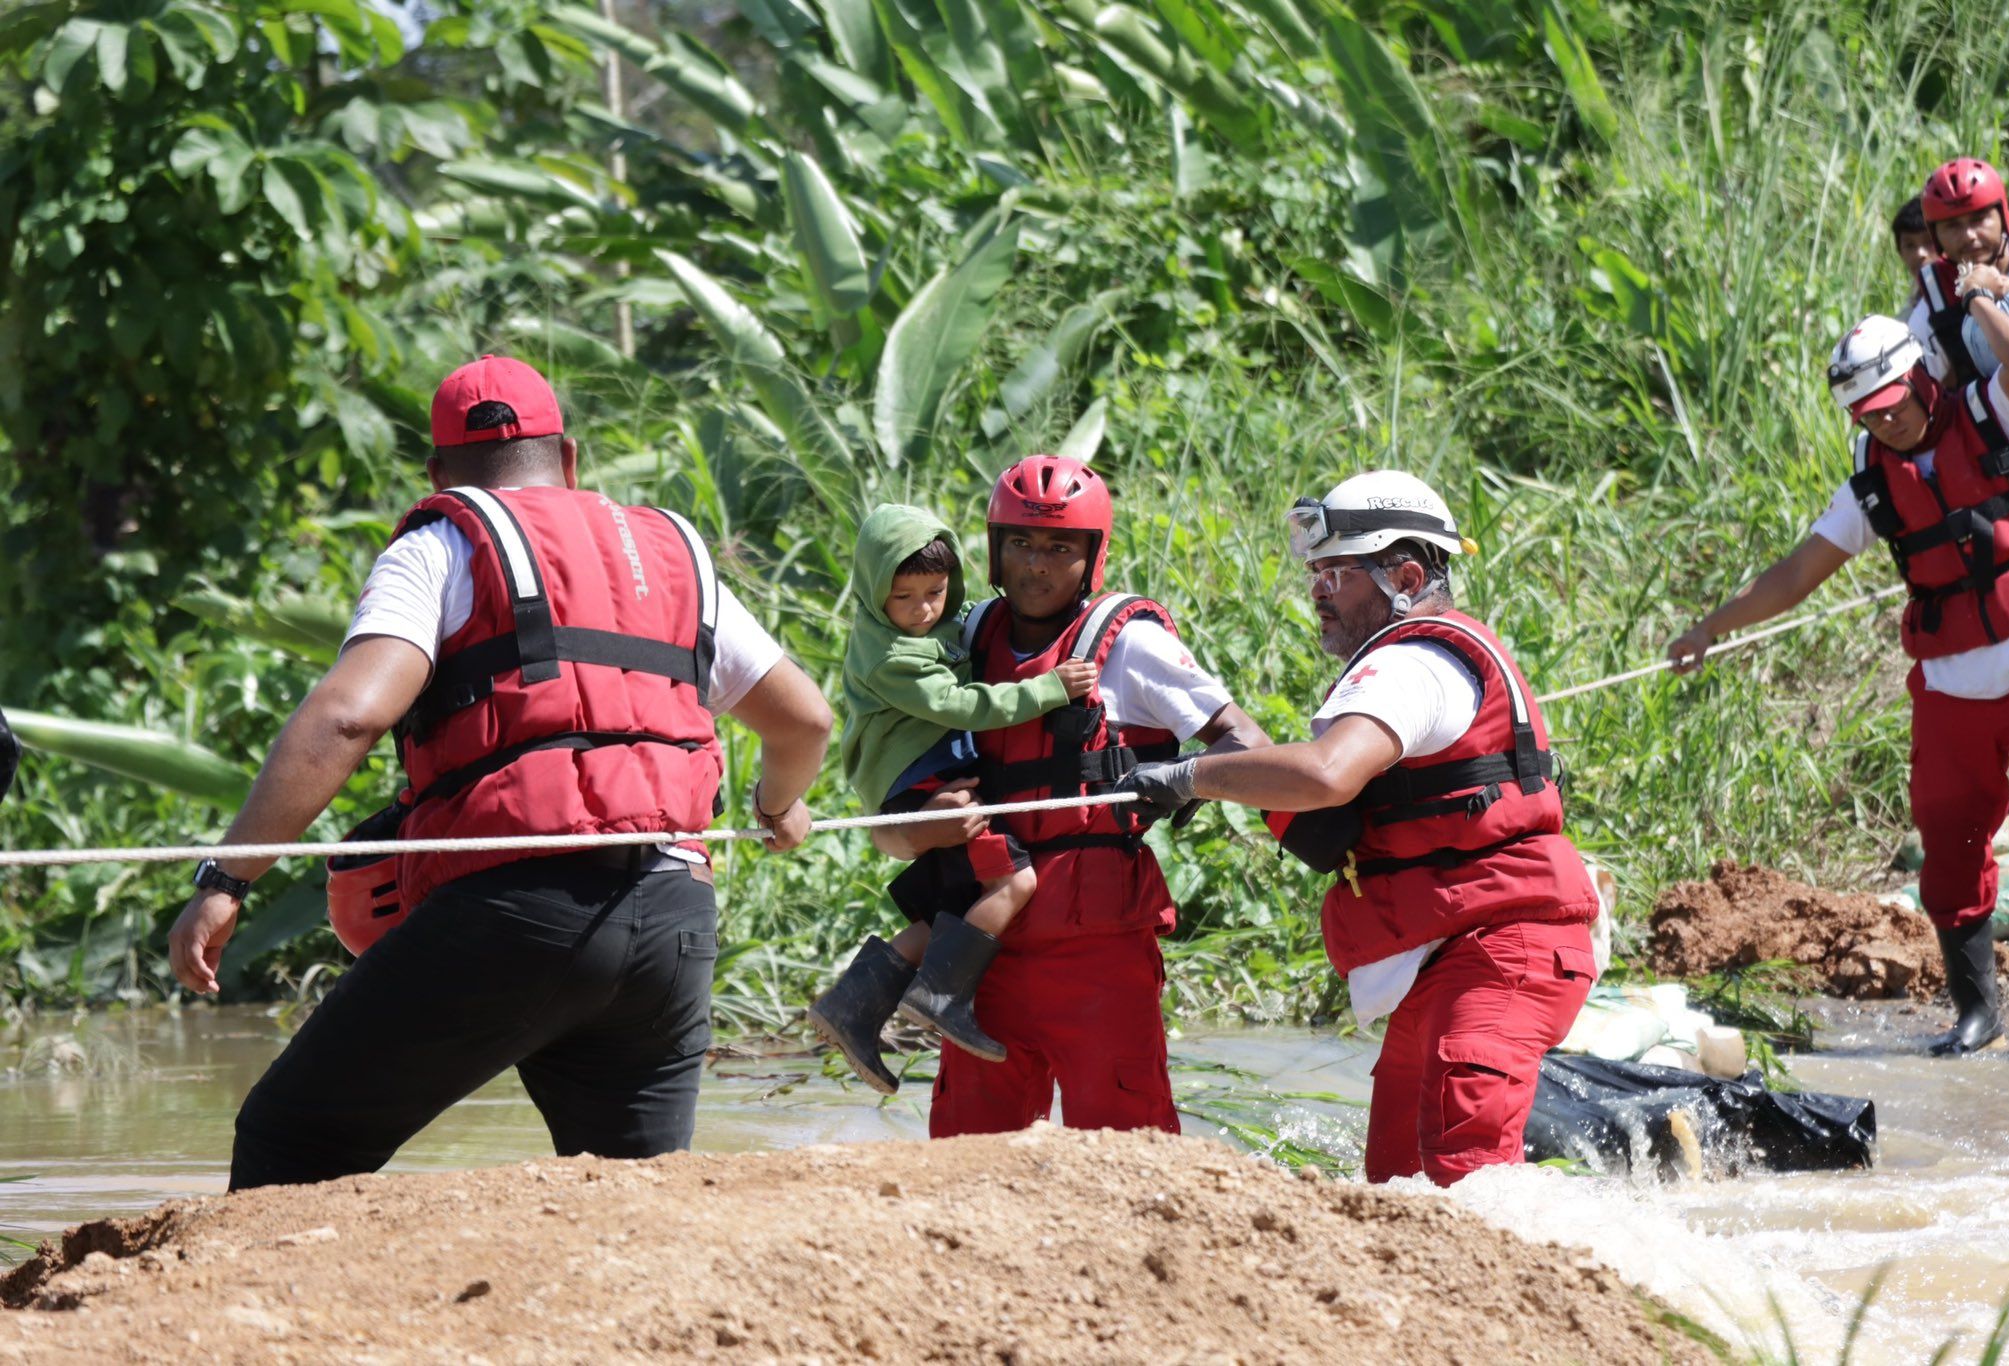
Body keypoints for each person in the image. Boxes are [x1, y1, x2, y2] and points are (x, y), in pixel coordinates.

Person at [167, 355, 833, 1189]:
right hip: (673, 921)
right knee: (634, 1195)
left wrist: (226, 876)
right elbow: (805, 719)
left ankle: (276, 1325)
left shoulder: (441, 545)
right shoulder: (672, 550)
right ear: (571, 457)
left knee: (292, 1141)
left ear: (440, 473)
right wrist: (777, 803)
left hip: (516, 912)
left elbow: (349, 714)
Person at [1116, 472, 1601, 1186]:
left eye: (1335, 573)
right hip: (1449, 959)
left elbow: (1326, 776)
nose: (1316, 591)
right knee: (1393, 1196)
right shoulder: (1420, 659)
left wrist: (1194, 777)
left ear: (1405, 576)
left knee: (1465, 1194)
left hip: (1493, 958)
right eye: (1314, 572)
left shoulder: (1410, 664)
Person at [1669, 304, 2009, 1055]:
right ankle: (1976, 1014)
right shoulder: (1873, 485)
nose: (1887, 425)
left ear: (1921, 378)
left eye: (1893, 405)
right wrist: (1711, 626)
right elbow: (1797, 573)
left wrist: (1973, 297)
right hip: (1948, 688)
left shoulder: (1998, 412)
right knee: (1949, 841)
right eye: (1868, 417)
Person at [870, 455, 1270, 1137]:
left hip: (1099, 957)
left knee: (1130, 1154)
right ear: (995, 551)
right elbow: (887, 827)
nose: (1037, 564)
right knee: (966, 1166)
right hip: (979, 957)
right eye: (1021, 543)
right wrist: (919, 827)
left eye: (1060, 547)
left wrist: (1182, 782)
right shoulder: (959, 644)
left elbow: (1249, 747)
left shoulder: (1132, 647)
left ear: (1093, 557)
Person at [807, 505, 1098, 1092]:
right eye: (903, 598)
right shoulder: (891, 656)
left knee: (949, 909)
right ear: (871, 593)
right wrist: (1047, 688)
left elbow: (959, 624)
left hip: (931, 776)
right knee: (1015, 882)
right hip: (916, 783)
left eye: (936, 593)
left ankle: (850, 1008)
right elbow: (961, 705)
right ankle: (939, 999)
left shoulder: (936, 625)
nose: (922, 611)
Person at [1907, 158, 2009, 386]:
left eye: (1979, 219)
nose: (1969, 236)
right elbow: (1918, 396)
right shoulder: (1935, 303)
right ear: (1936, 236)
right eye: (1952, 226)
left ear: (2002, 217)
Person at [1893, 195, 1939, 317]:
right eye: (1909, 245)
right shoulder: (1906, 317)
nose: (1920, 253)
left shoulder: (1969, 293)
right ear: (1900, 253)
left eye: (1930, 242)